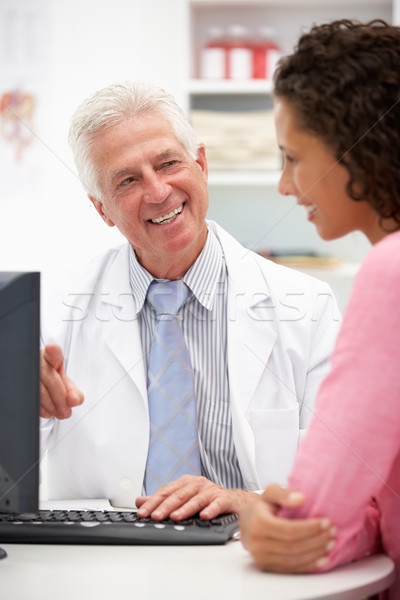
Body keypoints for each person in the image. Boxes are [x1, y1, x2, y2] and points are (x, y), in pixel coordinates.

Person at [40, 80, 340, 523]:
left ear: (200, 163)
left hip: (248, 555)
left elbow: (341, 475)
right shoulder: (51, 310)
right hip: (103, 565)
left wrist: (249, 501)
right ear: (102, 209)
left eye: (168, 163)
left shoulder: (307, 305)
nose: (158, 191)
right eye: (127, 180)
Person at [239, 18, 400, 597]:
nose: (285, 185)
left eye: (292, 157)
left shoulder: (391, 272)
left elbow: (307, 521)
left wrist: (256, 519)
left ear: (357, 148)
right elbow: (361, 515)